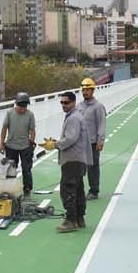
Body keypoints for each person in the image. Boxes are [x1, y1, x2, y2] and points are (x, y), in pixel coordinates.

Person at [55, 91, 90, 232]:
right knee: (78, 189)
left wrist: (56, 144)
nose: (63, 105)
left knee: (67, 188)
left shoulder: (73, 118)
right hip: (77, 158)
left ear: (74, 102)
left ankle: (70, 220)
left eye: (66, 102)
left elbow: (70, 138)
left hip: (72, 159)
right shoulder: (74, 116)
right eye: (62, 102)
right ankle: (79, 218)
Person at [0, 92, 37, 196]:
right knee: (11, 169)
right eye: (20, 106)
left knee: (26, 169)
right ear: (16, 104)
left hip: (25, 146)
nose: (22, 109)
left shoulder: (30, 115)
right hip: (11, 146)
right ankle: (10, 189)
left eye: (25, 106)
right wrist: (1, 144)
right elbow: (4, 128)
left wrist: (32, 143)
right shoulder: (9, 113)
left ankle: (27, 189)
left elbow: (32, 130)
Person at [77, 77, 107, 199]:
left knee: (93, 167)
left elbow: (102, 124)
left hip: (93, 143)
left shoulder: (98, 106)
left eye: (88, 90)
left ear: (92, 91)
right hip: (80, 142)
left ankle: (94, 191)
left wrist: (101, 140)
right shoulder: (79, 106)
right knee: (79, 166)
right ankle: (79, 191)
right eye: (83, 90)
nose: (85, 92)